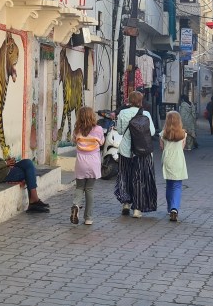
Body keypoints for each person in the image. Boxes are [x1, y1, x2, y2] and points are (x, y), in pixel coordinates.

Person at [0, 118, 50, 213]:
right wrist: (5, 164)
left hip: (3, 170)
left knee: (27, 163)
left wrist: (7, 163)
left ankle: (33, 201)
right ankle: (34, 201)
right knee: (27, 171)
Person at [113, 90, 157, 218]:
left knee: (124, 176)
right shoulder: (146, 114)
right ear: (140, 101)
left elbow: (120, 131)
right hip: (141, 152)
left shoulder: (122, 113)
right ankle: (138, 209)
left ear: (129, 100)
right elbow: (152, 132)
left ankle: (126, 203)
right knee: (139, 179)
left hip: (126, 151)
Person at [71, 107, 105, 225]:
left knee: (79, 187)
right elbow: (101, 142)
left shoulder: (77, 130)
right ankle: (88, 218)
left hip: (81, 162)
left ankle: (76, 205)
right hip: (93, 162)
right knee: (89, 189)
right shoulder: (99, 129)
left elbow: (74, 141)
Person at [160, 111, 189, 222]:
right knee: (177, 186)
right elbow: (182, 147)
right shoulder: (183, 134)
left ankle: (169, 208)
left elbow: (161, 147)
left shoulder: (163, 134)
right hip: (178, 160)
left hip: (167, 159)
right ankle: (174, 208)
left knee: (169, 185)